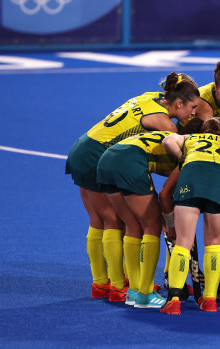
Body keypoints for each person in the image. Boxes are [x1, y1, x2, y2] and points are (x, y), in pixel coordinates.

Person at [65, 72, 200, 301]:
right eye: (192, 107)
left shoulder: (152, 97)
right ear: (179, 103)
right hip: (98, 157)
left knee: (100, 220)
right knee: (114, 221)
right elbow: (170, 163)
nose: (193, 112)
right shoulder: (167, 126)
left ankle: (104, 283)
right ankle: (119, 287)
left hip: (83, 147)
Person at [96, 130, 179, 308]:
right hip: (129, 161)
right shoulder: (192, 152)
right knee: (152, 225)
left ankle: (134, 290)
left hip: (106, 161)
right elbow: (166, 193)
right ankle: (145, 294)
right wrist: (170, 222)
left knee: (132, 225)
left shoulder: (170, 137)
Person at [160, 117, 220, 314]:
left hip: (192, 176)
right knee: (213, 242)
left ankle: (174, 300)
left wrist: (182, 158)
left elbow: (167, 141)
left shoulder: (192, 137)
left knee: (183, 241)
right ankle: (210, 299)